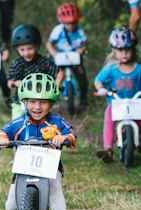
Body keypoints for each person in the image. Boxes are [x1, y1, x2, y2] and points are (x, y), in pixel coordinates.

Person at [0, 73, 77, 210]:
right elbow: (5, 131)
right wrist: (3, 140)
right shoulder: (19, 122)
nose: (37, 107)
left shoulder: (56, 121)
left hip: (50, 165)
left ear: (51, 103)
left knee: (55, 188)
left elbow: (71, 133)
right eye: (32, 101)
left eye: (43, 102)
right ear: (24, 102)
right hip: (24, 166)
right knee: (12, 203)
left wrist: (64, 138)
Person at [94, 27, 141, 162]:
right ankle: (108, 149)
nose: (124, 54)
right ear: (114, 51)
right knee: (109, 120)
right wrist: (101, 88)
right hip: (115, 103)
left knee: (140, 121)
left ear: (133, 50)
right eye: (121, 50)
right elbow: (98, 80)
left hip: (135, 103)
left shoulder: (138, 69)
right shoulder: (111, 69)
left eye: (128, 50)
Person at [7, 24, 64, 119]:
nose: (26, 53)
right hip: (21, 102)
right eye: (22, 50)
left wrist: (56, 85)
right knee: (16, 124)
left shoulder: (44, 62)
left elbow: (59, 72)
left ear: (37, 46)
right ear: (16, 49)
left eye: (30, 49)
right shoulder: (17, 64)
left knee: (48, 124)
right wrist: (16, 83)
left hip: (42, 102)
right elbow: (9, 82)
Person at [46, 2, 89, 114]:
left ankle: (83, 101)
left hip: (75, 57)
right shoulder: (58, 30)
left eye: (73, 23)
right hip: (60, 57)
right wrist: (53, 52)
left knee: (83, 80)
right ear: (62, 22)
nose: (71, 26)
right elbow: (49, 43)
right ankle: (49, 100)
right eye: (68, 23)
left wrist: (82, 49)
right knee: (53, 79)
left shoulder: (80, 31)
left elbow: (84, 44)